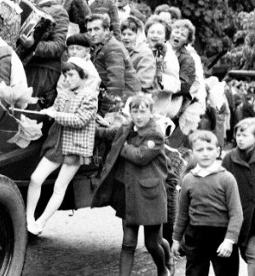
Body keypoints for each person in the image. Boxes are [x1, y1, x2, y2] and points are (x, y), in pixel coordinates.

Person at [91, 94, 171, 276]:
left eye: (143, 112)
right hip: (129, 193)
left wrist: (123, 147)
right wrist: (91, 129)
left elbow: (140, 156)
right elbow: (111, 134)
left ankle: (163, 268)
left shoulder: (155, 135)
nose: (139, 116)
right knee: (128, 243)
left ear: (151, 112)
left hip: (150, 196)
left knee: (153, 243)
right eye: (135, 111)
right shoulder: (127, 128)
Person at [26, 58, 98, 235]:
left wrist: (55, 114)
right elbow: (55, 109)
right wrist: (46, 113)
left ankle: (40, 223)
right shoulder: (64, 93)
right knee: (36, 178)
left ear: (83, 75)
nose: (67, 79)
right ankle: (29, 218)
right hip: (58, 143)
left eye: (71, 75)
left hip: (76, 146)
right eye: (65, 75)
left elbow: (80, 120)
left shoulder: (90, 96)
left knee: (60, 187)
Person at [173, 130, 243, 276]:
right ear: (193, 153)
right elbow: (182, 214)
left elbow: (236, 214)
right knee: (195, 273)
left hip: (221, 235)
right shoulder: (188, 180)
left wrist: (229, 240)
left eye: (209, 149)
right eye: (199, 150)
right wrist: (176, 239)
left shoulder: (227, 179)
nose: (205, 153)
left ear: (217, 151)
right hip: (196, 236)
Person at [18, 0, 69, 108]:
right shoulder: (30, 5)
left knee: (30, 112)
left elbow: (59, 46)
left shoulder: (59, 12)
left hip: (42, 72)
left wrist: (33, 45)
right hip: (27, 67)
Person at [86, 13, 140, 114]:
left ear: (107, 30)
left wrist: (106, 111)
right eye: (90, 30)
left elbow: (116, 83)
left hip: (125, 101)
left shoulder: (112, 47)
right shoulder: (102, 45)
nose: (92, 34)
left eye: (96, 29)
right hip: (119, 99)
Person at [222, 118, 255, 276]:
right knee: (243, 254)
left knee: (252, 254)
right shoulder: (229, 159)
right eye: (238, 134)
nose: (240, 138)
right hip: (238, 217)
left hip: (254, 219)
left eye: (245, 135)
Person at [145, 16, 181, 117]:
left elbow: (175, 84)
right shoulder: (142, 50)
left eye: (159, 33)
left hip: (158, 105)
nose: (155, 36)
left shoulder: (169, 55)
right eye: (152, 32)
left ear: (165, 37)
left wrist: (159, 77)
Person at [121, 16, 156, 92]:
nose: (126, 37)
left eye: (130, 34)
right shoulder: (121, 51)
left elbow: (144, 83)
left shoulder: (145, 54)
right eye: (123, 34)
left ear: (137, 35)